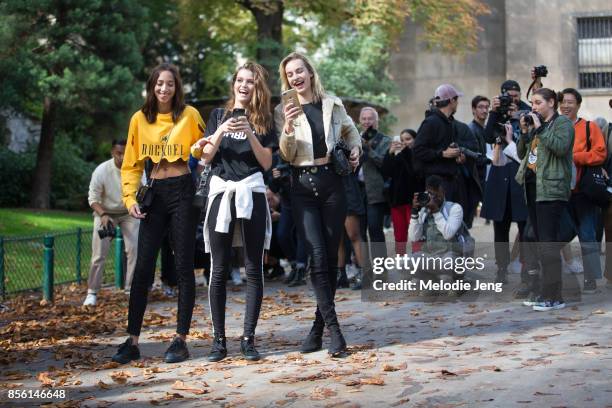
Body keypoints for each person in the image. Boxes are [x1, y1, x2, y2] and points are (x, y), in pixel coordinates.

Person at [112, 63, 205, 364]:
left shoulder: (190, 115)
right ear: (152, 87)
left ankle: (180, 339)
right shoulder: (139, 119)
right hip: (154, 194)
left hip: (182, 191)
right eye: (159, 84)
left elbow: (206, 153)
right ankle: (132, 340)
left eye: (170, 84)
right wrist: (129, 198)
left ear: (177, 88)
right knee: (142, 268)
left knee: (182, 267)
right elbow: (130, 164)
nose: (164, 89)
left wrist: (202, 149)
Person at [274, 52, 361, 357]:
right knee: (318, 255)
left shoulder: (332, 103)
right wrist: (286, 129)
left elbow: (352, 132)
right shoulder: (283, 110)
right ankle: (335, 331)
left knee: (330, 258)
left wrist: (355, 150)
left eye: (300, 71)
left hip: (332, 184)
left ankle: (316, 328)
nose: (296, 77)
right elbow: (285, 155)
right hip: (301, 187)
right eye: (290, 74)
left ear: (310, 73)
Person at [193, 62, 276, 362]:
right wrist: (221, 131)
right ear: (234, 84)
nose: (244, 85)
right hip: (222, 192)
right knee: (219, 268)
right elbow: (204, 157)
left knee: (254, 267)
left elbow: (267, 163)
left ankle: (248, 339)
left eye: (250, 81)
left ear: (258, 87)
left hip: (251, 190)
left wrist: (250, 133)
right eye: (240, 80)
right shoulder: (218, 115)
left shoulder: (266, 118)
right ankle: (219, 341)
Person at [516, 88, 574, 311]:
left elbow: (560, 148)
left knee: (549, 244)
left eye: (538, 102)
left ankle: (554, 296)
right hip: (533, 188)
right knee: (539, 242)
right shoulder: (538, 126)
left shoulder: (562, 124)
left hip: (551, 189)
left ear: (552, 103)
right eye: (532, 103)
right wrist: (525, 131)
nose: (534, 107)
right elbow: (523, 154)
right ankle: (543, 291)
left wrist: (540, 128)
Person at [481, 80, 529, 287]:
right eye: (509, 95)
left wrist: (519, 115)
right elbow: (487, 136)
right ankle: (501, 268)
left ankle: (528, 268)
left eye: (516, 95)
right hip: (500, 177)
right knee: (500, 227)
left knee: (525, 226)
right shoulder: (496, 114)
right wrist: (494, 112)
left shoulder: (528, 111)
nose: (513, 99)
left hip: (520, 177)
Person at [558, 88, 606, 293]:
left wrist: (575, 157)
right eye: (563, 102)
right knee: (560, 233)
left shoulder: (589, 127)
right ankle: (549, 276)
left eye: (570, 102)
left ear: (578, 104)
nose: (566, 105)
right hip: (559, 192)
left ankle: (590, 278)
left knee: (587, 234)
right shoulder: (552, 127)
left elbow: (600, 153)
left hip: (583, 191)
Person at [83, 139, 139, 306]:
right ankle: (92, 292)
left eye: (125, 153)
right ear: (112, 152)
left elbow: (143, 190)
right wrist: (103, 215)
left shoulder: (135, 168)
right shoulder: (102, 170)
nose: (122, 157)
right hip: (105, 213)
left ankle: (131, 290)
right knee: (99, 254)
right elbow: (93, 198)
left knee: (134, 250)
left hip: (129, 212)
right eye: (118, 153)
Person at [413, 84, 468, 213]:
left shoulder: (449, 123)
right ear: (451, 101)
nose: (457, 104)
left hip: (451, 181)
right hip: (436, 184)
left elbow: (445, 150)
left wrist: (456, 157)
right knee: (439, 226)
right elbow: (418, 150)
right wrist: (442, 154)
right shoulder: (431, 122)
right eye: (456, 100)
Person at [408, 175, 464, 282]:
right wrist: (415, 212)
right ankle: (432, 280)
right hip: (431, 256)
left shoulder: (454, 208)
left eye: (436, 194)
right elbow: (414, 237)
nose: (433, 198)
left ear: (443, 192)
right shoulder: (424, 210)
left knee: (447, 267)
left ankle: (454, 280)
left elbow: (448, 234)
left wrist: (436, 211)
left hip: (450, 255)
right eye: (430, 193)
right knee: (407, 261)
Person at [382, 129, 423, 256]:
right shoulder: (397, 156)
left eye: (408, 139)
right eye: (402, 140)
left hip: (414, 201)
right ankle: (401, 259)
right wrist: (390, 153)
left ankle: (419, 260)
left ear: (415, 140)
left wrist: (404, 152)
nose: (404, 142)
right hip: (397, 202)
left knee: (416, 234)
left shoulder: (419, 155)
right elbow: (385, 172)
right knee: (399, 235)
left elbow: (413, 172)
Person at [358, 107, 390, 261]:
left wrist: (367, 148)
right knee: (358, 232)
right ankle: (364, 269)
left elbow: (383, 162)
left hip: (375, 191)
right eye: (363, 119)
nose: (366, 122)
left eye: (370, 118)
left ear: (377, 121)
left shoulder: (385, 140)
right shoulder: (354, 139)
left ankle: (380, 268)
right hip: (357, 191)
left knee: (375, 229)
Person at [468, 96, 491, 193]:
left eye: (487, 107)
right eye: (480, 107)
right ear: (473, 109)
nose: (484, 110)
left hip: (487, 177)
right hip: (478, 180)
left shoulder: (486, 128)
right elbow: (474, 158)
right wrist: (491, 159)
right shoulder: (471, 129)